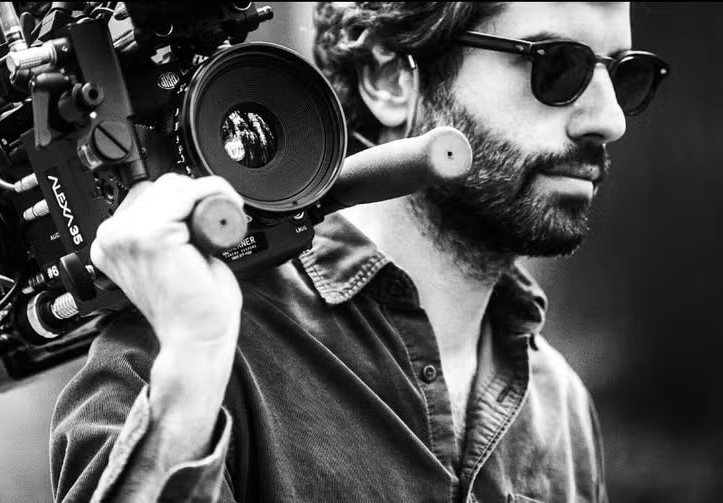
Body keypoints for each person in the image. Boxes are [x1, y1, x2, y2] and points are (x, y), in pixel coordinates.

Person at [50, 2, 669, 502]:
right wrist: (189, 376)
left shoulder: (562, 406)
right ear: (389, 80)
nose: (610, 119)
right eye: (556, 66)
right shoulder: (181, 353)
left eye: (625, 74)